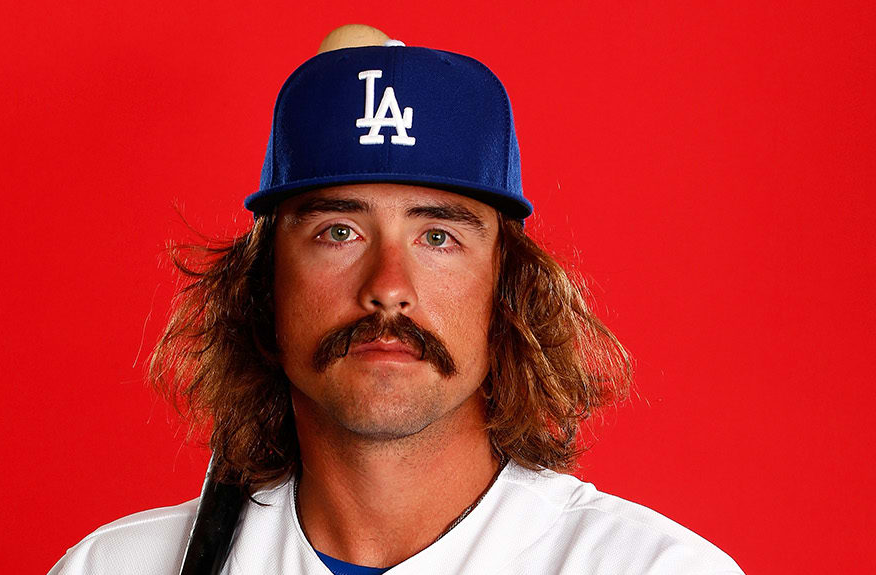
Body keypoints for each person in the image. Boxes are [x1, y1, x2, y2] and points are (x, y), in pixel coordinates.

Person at [50, 25, 744, 575]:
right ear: (261, 288)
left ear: (508, 291)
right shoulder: (111, 568)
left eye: (438, 236)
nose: (387, 286)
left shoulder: (651, 568)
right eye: (338, 231)